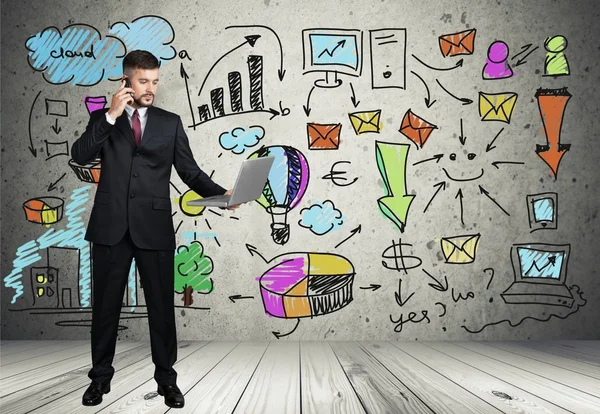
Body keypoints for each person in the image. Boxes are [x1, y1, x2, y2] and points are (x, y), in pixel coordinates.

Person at [72, 50, 239, 409]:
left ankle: (167, 381)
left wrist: (222, 194)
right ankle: (99, 380)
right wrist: (112, 116)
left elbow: (189, 172)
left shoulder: (170, 122)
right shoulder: (104, 119)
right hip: (110, 228)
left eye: (155, 81)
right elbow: (81, 155)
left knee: (161, 310)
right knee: (105, 310)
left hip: (154, 227)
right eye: (143, 81)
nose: (151, 88)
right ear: (126, 81)